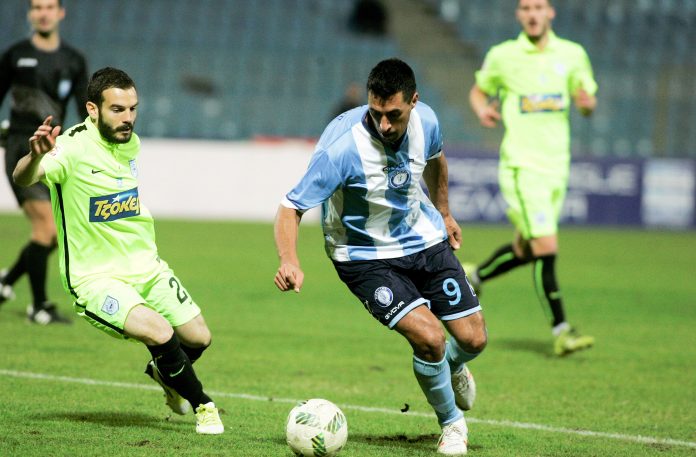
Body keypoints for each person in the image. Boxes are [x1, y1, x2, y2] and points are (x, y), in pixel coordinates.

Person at [275, 58, 486, 456]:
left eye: (393, 115)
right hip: (363, 255)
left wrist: (444, 213)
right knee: (430, 338)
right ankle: (452, 425)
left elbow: (436, 161)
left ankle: (454, 365)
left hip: (423, 239)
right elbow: (290, 207)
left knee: (474, 338)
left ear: (413, 102)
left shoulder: (428, 122)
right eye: (376, 113)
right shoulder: (342, 149)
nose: (384, 124)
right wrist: (290, 260)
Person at [12, 67, 224, 434]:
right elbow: (23, 177)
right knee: (160, 332)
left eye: (132, 109)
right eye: (118, 109)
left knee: (199, 337)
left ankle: (164, 372)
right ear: (92, 109)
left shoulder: (130, 142)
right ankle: (204, 405)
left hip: (146, 266)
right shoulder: (71, 147)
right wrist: (34, 156)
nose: (128, 118)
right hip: (96, 278)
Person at [467, 0, 597, 356]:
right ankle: (562, 330)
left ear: (550, 11)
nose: (532, 13)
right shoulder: (503, 56)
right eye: (526, 7)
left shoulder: (572, 54)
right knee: (546, 246)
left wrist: (586, 104)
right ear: (518, 14)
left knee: (527, 248)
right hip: (522, 166)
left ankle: (475, 277)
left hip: (557, 166)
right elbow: (478, 91)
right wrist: (482, 110)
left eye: (539, 6)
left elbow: (587, 102)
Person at [0, 0, 88, 324]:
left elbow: (85, 109)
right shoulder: (15, 55)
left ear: (60, 12)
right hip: (21, 149)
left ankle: (6, 281)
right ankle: (39, 307)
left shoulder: (74, 60)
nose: (43, 12)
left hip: (54, 149)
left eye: (49, 6)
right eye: (37, 7)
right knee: (46, 228)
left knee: (55, 233)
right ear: (30, 14)